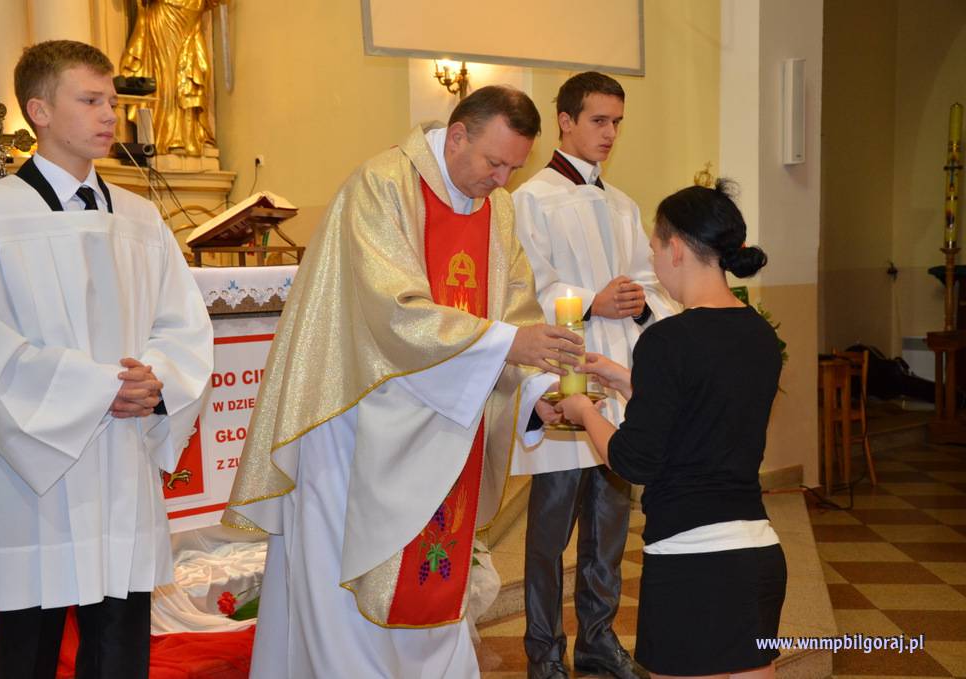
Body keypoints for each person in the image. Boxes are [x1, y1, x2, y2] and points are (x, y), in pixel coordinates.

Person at [224, 85, 580, 679]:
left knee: (434, 580)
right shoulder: (382, 185)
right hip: (359, 423)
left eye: (514, 169)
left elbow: (515, 313)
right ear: (458, 135)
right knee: (347, 594)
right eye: (495, 163)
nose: (501, 181)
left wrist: (535, 394)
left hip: (445, 429)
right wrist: (505, 346)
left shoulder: (497, 209)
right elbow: (390, 312)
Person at [0, 40, 214, 679]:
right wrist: (99, 389)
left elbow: (181, 323)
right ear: (39, 110)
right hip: (27, 474)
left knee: (120, 648)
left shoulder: (142, 218)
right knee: (29, 654)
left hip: (121, 460)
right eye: (90, 100)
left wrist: (157, 381)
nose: (110, 115)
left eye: (111, 101)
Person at [557, 180, 787, 679]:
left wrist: (584, 411)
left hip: (691, 560)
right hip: (757, 552)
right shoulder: (759, 333)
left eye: (654, 249)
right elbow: (705, 412)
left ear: (676, 248)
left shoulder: (667, 340)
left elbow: (633, 460)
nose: (654, 262)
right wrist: (628, 382)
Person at [511, 71, 673, 679]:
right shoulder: (530, 200)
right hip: (564, 376)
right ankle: (544, 651)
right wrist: (592, 301)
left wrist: (639, 301)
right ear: (566, 121)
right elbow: (523, 290)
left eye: (617, 123)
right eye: (599, 121)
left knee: (609, 526)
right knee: (550, 533)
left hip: (618, 382)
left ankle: (599, 641)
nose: (610, 134)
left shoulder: (623, 204)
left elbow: (652, 282)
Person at [121, 0, 221, 155]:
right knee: (169, 73)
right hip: (168, 10)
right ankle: (173, 137)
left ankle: (195, 135)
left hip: (195, 11)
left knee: (199, 70)